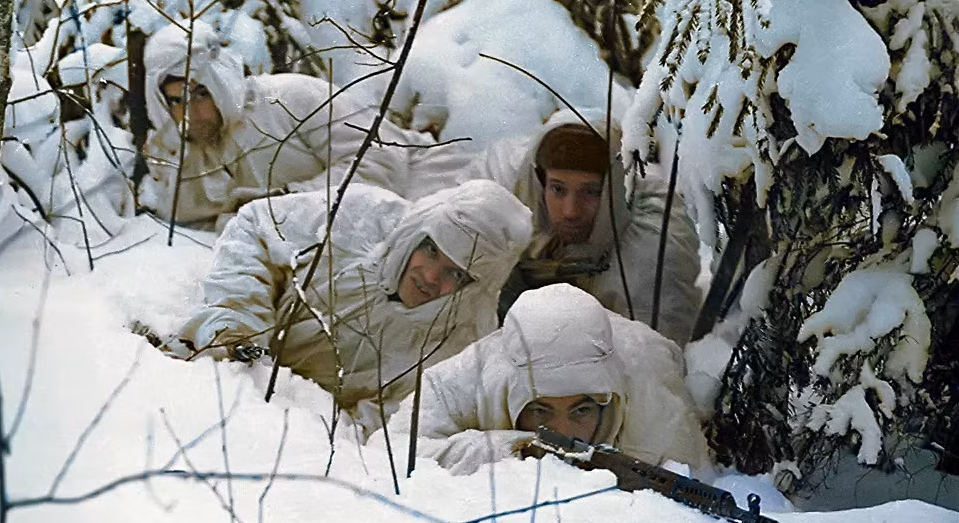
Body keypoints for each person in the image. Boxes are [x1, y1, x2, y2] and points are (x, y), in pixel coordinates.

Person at [171, 179, 533, 432]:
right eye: (430, 250)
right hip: (224, 361)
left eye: (455, 273)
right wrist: (238, 319)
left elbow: (377, 432)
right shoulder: (362, 216)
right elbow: (255, 228)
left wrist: (288, 413)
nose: (430, 276)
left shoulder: (460, 352)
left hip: (285, 424)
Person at [390, 284, 710, 476]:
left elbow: (692, 492)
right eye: (541, 412)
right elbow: (390, 452)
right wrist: (509, 449)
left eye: (581, 411)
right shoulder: (474, 376)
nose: (563, 433)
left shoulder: (654, 407)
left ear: (606, 401)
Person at [139, 20, 429, 229]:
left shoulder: (292, 95)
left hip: (428, 188)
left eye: (201, 94)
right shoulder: (186, 150)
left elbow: (381, 162)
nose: (190, 112)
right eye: (176, 102)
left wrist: (286, 200)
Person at [483, 109, 703, 347]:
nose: (571, 211)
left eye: (591, 192)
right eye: (557, 189)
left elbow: (653, 358)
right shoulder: (516, 198)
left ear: (615, 187)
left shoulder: (651, 241)